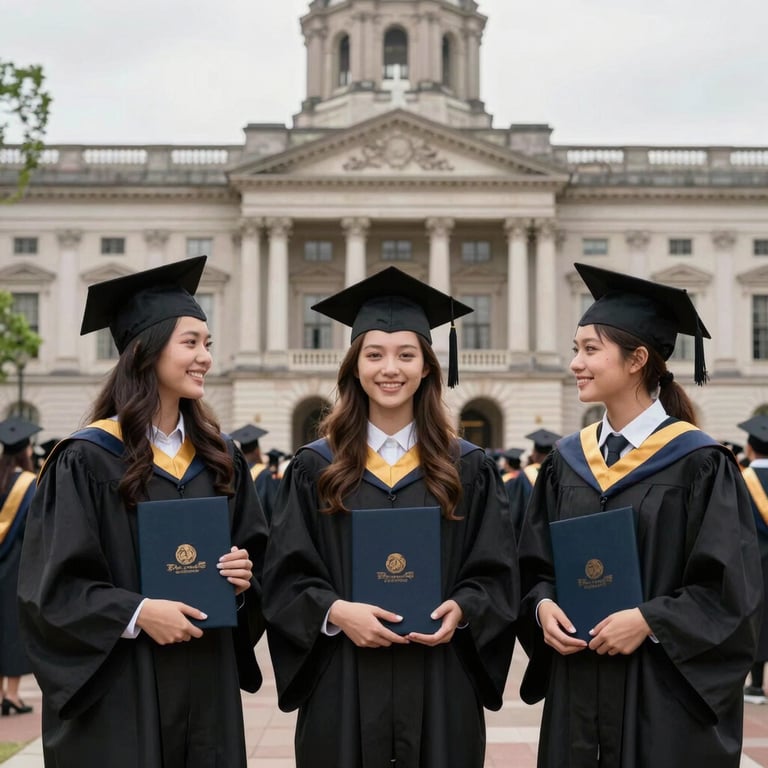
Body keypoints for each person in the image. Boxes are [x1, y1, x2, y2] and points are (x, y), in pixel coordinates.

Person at [262, 266, 518, 768]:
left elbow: (498, 571)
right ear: (354, 367)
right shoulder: (316, 467)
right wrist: (335, 613)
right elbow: (284, 578)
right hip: (343, 678)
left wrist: (464, 608)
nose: (390, 369)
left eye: (406, 355)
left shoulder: (468, 466)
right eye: (374, 355)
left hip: (441, 678)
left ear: (427, 367)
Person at [17, 256, 269, 768]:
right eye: (191, 342)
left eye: (208, 344)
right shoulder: (86, 459)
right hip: (122, 692)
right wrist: (136, 613)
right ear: (146, 351)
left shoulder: (221, 458)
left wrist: (244, 582)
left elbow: (260, 563)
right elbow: (53, 592)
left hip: (207, 685)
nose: (205, 357)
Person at [516, 262, 762, 767]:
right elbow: (533, 566)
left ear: (637, 359)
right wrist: (542, 608)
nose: (575, 364)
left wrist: (649, 621)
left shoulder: (698, 461)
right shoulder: (568, 460)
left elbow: (728, 591)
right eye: (575, 350)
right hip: (578, 688)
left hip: (661, 695)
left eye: (590, 350)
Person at [0, 417, 40, 716]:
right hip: (15, 568)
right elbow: (32, 532)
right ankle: (12, 695)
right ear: (26, 451)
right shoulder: (29, 485)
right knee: (12, 629)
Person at [737, 415, 768, 705]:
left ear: (749, 448)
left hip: (754, 561)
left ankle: (756, 684)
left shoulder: (743, 479)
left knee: (757, 618)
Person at [506, 429, 561, 542]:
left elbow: (515, 510)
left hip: (529, 536)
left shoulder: (523, 476)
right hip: (555, 533)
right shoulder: (559, 472)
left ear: (535, 453)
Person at [230, 424, 277, 524]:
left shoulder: (234, 471)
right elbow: (272, 506)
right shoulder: (264, 474)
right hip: (259, 527)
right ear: (257, 450)